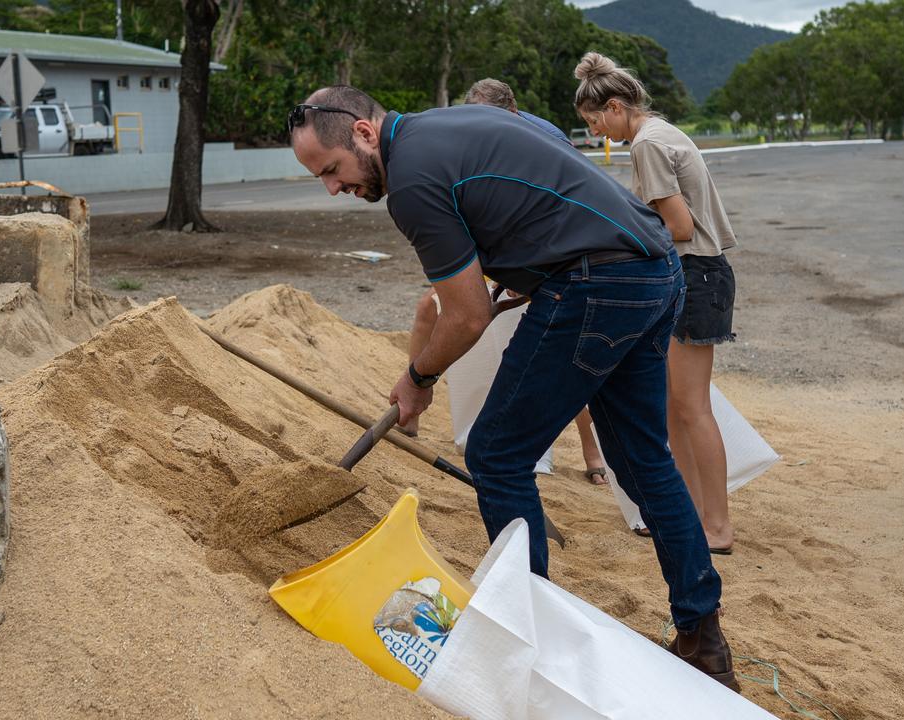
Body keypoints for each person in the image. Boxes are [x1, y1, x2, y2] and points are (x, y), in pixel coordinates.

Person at [287, 84, 739, 690]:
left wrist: (418, 376)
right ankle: (704, 642)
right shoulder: (460, 121)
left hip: (597, 284)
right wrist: (533, 257)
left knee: (497, 454)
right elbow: (551, 165)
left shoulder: (413, 181)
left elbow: (467, 314)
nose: (334, 188)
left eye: (333, 170)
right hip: (654, 270)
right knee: (645, 462)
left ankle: (529, 638)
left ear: (365, 134)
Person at [403, 78, 608, 485]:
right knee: (429, 307)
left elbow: (562, 208)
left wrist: (522, 274)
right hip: (496, 247)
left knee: (570, 345)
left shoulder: (544, 137)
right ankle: (409, 415)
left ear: (512, 114)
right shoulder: (464, 135)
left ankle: (593, 453)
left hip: (558, 253)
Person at [574, 53, 739, 554]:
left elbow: (679, 228)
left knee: (690, 408)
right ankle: (690, 513)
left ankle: (717, 526)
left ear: (617, 106)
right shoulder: (660, 132)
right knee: (673, 407)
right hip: (700, 272)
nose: (597, 131)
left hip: (694, 273)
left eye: (595, 120)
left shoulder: (646, 144)